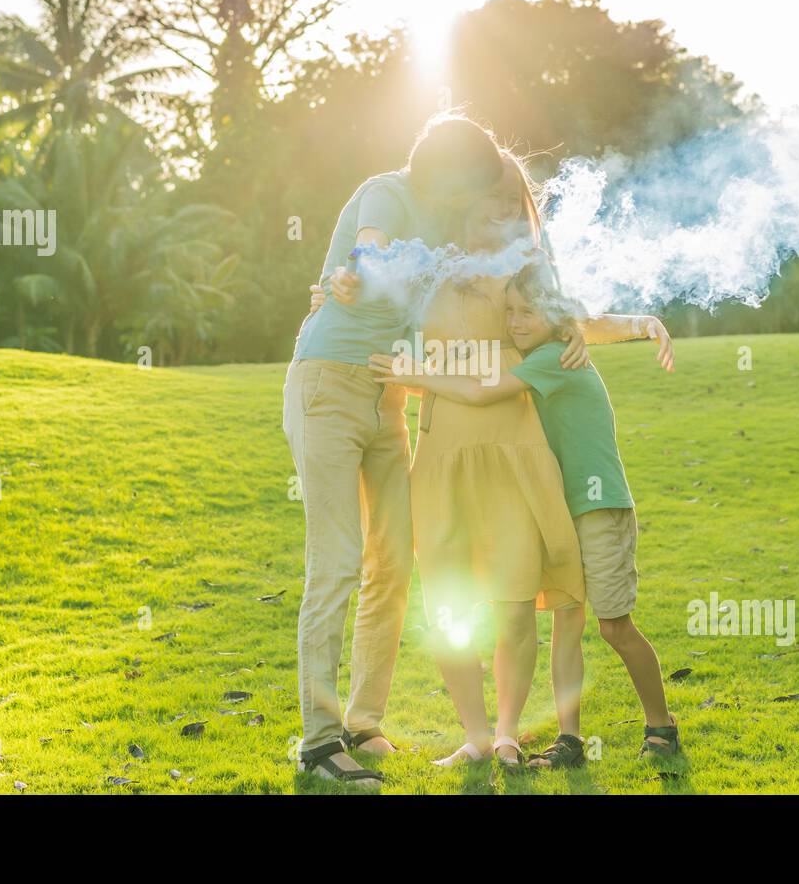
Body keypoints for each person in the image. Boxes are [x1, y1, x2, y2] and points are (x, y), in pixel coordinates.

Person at [369, 259, 681, 770]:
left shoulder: (553, 357)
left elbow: (477, 390)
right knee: (566, 624)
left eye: (526, 313)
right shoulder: (549, 349)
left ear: (557, 317)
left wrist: (411, 374)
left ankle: (661, 726)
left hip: (597, 506)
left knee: (615, 627)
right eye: (508, 311)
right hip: (563, 501)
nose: (513, 322)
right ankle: (570, 741)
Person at [282, 112, 506, 788]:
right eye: (467, 183)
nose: (469, 198)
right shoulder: (387, 193)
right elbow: (368, 251)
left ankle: (361, 721)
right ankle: (319, 745)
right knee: (338, 561)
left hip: (388, 397)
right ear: (445, 169)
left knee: (393, 559)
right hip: (329, 384)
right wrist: (351, 274)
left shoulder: (442, 222)